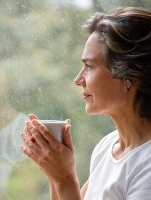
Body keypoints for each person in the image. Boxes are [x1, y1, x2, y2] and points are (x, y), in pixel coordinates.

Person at [20, 6, 151, 200]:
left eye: (89, 66)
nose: (78, 79)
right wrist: (55, 174)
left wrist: (65, 178)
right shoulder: (106, 148)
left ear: (128, 77)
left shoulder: (146, 165)